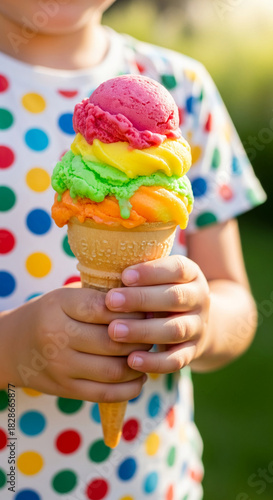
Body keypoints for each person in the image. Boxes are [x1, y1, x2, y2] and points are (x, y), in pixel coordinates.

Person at [0, 1, 266, 499]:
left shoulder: (183, 86)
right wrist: (12, 349)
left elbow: (238, 304)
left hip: (150, 482)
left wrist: (201, 324)